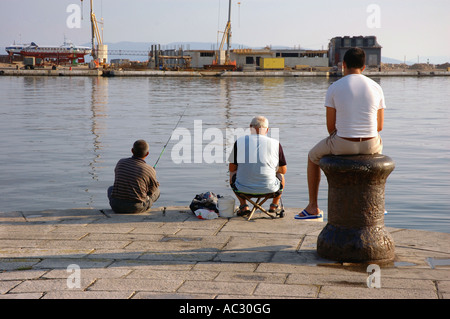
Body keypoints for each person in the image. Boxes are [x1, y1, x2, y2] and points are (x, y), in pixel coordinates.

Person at [297, 47, 385, 219]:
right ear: (364, 67)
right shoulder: (376, 87)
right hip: (371, 144)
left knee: (312, 156)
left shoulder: (334, 87)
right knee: (378, 146)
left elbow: (330, 127)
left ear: (343, 65)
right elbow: (379, 126)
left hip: (343, 143)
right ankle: (377, 206)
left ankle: (313, 206)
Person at [229, 116, 287, 216]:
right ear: (267, 130)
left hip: (242, 189)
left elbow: (232, 168)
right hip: (271, 190)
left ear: (250, 127)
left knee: (232, 173)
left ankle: (244, 206)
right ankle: (274, 205)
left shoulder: (239, 142)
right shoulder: (276, 143)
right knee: (281, 175)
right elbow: (283, 170)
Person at [108, 139, 160, 214]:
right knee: (157, 191)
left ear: (132, 150)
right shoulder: (149, 170)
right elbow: (152, 191)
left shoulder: (120, 162)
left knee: (110, 188)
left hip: (116, 206)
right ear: (147, 154)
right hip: (136, 207)